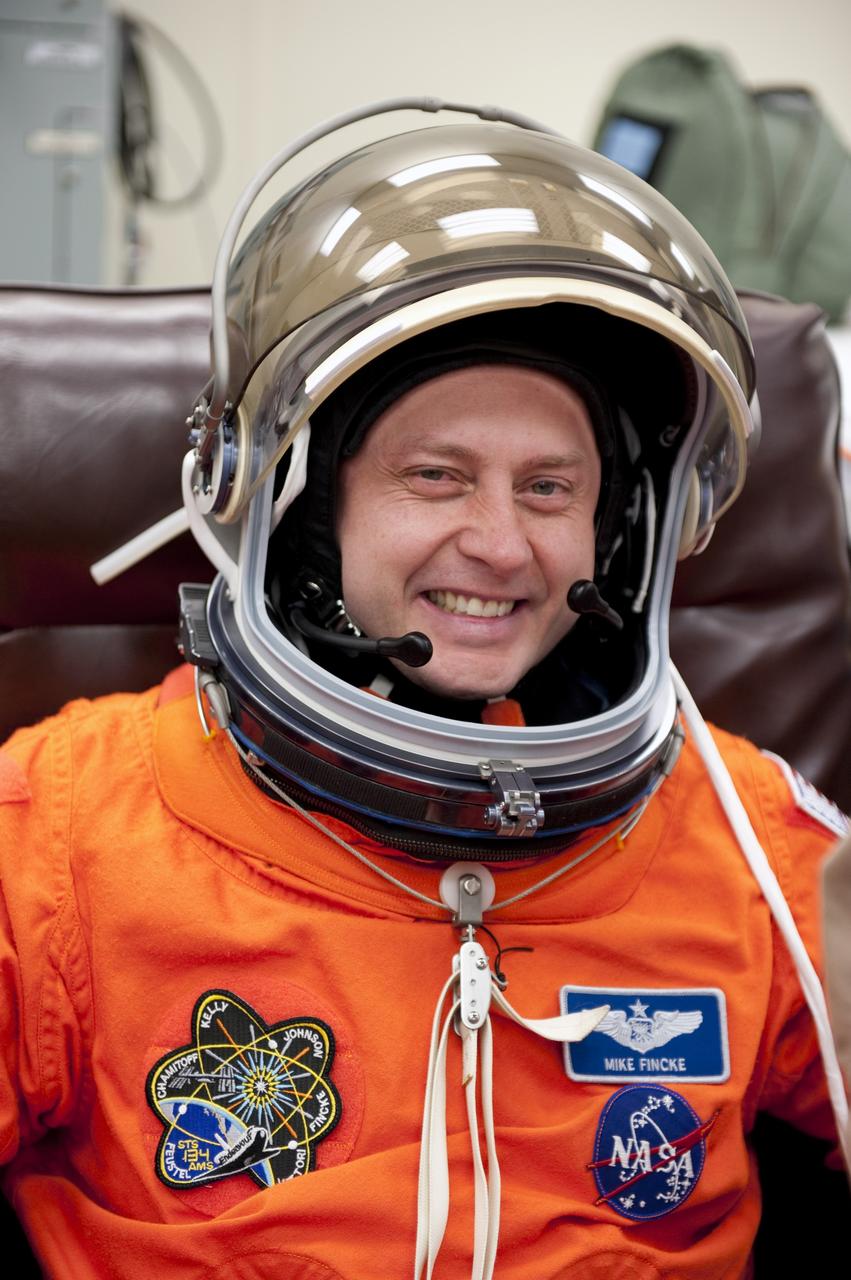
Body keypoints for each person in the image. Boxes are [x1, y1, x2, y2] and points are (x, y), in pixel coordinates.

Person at [0, 103, 847, 1280]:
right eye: (434, 475)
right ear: (302, 505)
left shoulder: (745, 842)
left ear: (615, 535)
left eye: (549, 487)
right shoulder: (62, 834)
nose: (498, 544)